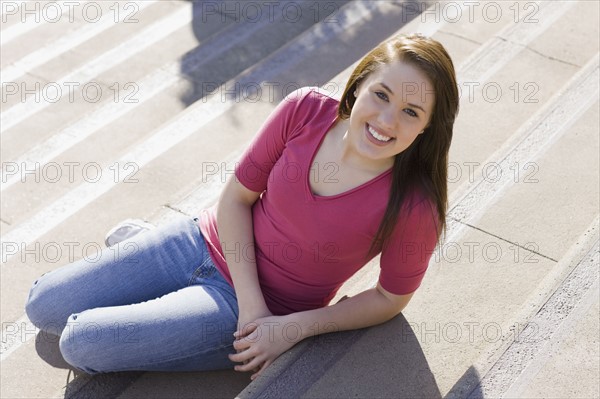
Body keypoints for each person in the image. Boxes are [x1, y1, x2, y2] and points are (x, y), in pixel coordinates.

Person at [25, 33, 459, 381]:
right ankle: (153, 267)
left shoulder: (413, 206)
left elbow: (390, 297)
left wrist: (290, 328)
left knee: (81, 343)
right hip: (202, 241)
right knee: (42, 306)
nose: (387, 121)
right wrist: (253, 305)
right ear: (359, 84)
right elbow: (235, 197)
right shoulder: (306, 110)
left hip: (251, 308)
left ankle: (181, 312)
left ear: (426, 129)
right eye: (381, 95)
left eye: (410, 112)